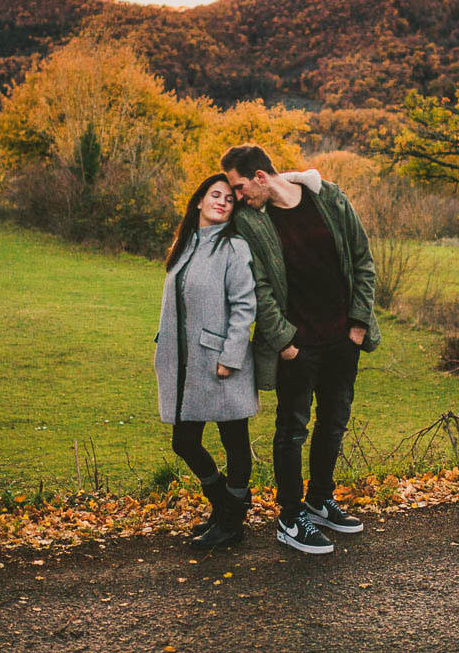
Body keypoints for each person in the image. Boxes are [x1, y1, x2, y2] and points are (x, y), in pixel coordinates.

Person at [220, 145, 380, 555]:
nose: (238, 196)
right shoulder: (251, 222)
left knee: (334, 422)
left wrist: (358, 325)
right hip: (296, 346)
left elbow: (362, 259)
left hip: (344, 340)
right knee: (291, 430)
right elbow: (260, 289)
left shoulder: (328, 197)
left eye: (239, 187)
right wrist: (285, 342)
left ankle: (320, 500)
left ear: (259, 176)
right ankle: (290, 516)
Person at [154, 174, 258, 550]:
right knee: (184, 442)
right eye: (215, 195)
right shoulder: (184, 245)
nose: (222, 202)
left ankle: (230, 523)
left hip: (220, 361)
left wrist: (230, 357)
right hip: (185, 364)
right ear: (199, 201)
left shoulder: (234, 248)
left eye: (229, 199)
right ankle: (227, 507)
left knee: (234, 440)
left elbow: (245, 306)